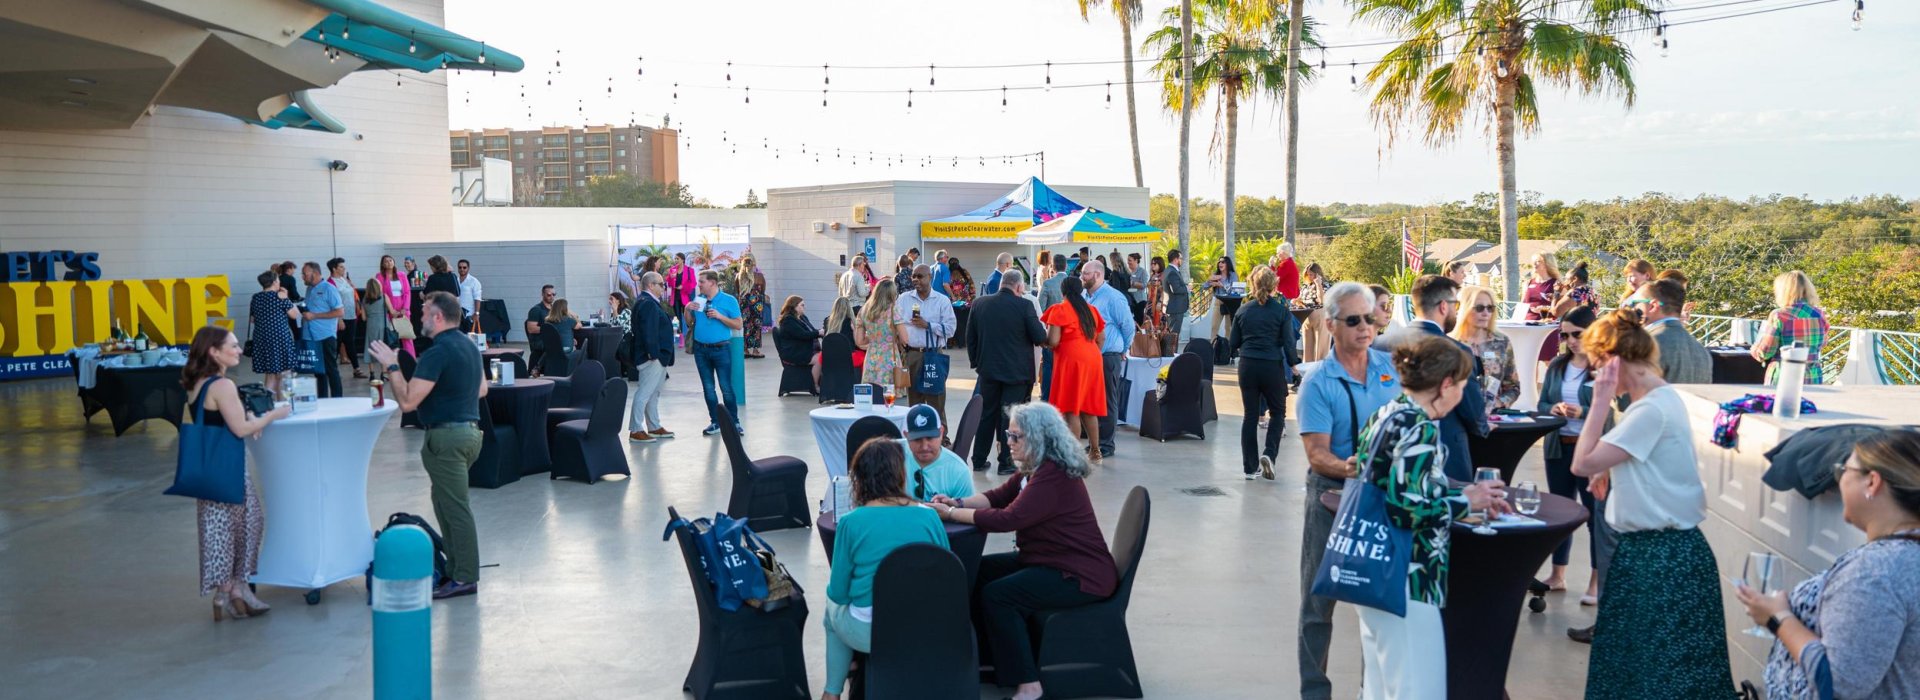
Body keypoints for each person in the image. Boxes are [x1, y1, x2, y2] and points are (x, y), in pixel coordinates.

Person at [1569, 309, 1735, 698]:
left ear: (1614, 361)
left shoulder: (1649, 410)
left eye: (1598, 365)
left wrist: (1599, 402)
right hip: (1662, 554)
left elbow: (1581, 463)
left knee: (1656, 676)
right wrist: (1612, 469)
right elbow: (1635, 458)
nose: (1595, 374)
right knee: (1653, 671)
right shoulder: (1663, 399)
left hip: (1659, 558)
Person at [1352, 335, 1511, 700]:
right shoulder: (1419, 426)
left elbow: (1399, 490)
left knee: (1379, 689)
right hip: (1410, 578)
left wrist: (1464, 496)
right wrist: (1464, 503)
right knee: (1416, 690)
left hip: (1375, 572)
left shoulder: (1387, 414)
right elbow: (1405, 510)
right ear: (1445, 384)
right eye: (1464, 384)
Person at [929, 403, 1115, 700]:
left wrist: (950, 513)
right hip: (1048, 559)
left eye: (1016, 437)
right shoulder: (1036, 469)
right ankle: (993, 659)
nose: (1008, 443)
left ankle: (1029, 684)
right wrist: (958, 502)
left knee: (998, 596)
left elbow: (1008, 519)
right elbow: (997, 497)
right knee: (977, 572)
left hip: (1078, 574)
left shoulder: (1053, 475)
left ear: (1039, 437)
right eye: (1009, 434)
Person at [1738, 428, 1920, 700]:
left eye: (1843, 470)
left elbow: (1836, 684)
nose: (1838, 481)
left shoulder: (1875, 573)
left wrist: (1779, 619)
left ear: (1872, 483)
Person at [1294, 281, 1399, 700]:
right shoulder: (1318, 383)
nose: (1365, 327)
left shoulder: (1391, 369)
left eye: (1370, 318)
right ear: (1332, 325)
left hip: (1384, 495)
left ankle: (1370, 690)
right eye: (1354, 320)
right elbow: (1317, 454)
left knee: (1378, 605)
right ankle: (1315, 692)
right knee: (1318, 604)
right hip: (1331, 495)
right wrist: (1349, 466)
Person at [368, 292, 488, 600]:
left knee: (455, 508)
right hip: (470, 434)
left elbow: (407, 402)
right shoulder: (469, 345)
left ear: (437, 317)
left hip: (447, 439)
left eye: (422, 313)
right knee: (444, 504)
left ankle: (465, 576)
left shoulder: (437, 352)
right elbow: (482, 389)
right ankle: (456, 569)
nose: (418, 318)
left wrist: (393, 366)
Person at [819, 438, 950, 700]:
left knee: (831, 612)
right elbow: (946, 573)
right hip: (923, 628)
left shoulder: (851, 522)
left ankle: (832, 692)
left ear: (860, 478)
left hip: (868, 634)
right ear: (901, 473)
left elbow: (840, 593)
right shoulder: (929, 516)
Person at [180, 325, 291, 620]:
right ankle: (237, 589)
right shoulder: (222, 386)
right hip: (229, 469)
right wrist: (272, 415)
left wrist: (249, 416)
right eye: (233, 346)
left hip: (207, 470)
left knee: (220, 532)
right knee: (250, 524)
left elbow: (222, 418)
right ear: (214, 352)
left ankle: (225, 593)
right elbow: (239, 429)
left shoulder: (198, 384)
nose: (240, 350)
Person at [1379, 275, 1489, 481]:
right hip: (1446, 455)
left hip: (1387, 447)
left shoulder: (1380, 344)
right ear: (1443, 306)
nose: (1456, 310)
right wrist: (1484, 428)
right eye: (1455, 304)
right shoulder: (1458, 351)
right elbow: (1473, 410)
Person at [1535, 306, 1609, 602]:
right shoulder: (1556, 366)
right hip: (1559, 446)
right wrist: (1552, 409)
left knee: (1594, 518)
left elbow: (1613, 412)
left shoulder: (1604, 367)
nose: (1570, 340)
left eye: (1576, 334)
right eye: (1564, 335)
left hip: (1590, 451)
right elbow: (1541, 404)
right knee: (1560, 513)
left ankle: (1595, 582)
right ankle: (1557, 575)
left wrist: (1584, 411)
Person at [967, 269, 1048, 475]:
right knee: (1010, 418)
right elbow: (1039, 336)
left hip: (988, 370)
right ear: (1019, 287)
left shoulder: (980, 304)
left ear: (1002, 283)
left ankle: (978, 459)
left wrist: (977, 363)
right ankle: (1006, 462)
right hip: (1017, 374)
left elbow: (971, 337)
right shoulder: (1025, 305)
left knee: (987, 415)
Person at [1232, 266, 1302, 480]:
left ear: (1253, 285)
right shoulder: (1281, 311)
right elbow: (1289, 343)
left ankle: (1249, 469)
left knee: (1250, 416)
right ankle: (1269, 454)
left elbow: (1233, 342)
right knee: (1278, 412)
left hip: (1248, 366)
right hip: (1271, 366)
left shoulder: (1243, 310)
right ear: (1275, 285)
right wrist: (1294, 365)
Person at [1042, 276, 1107, 463]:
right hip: (1093, 358)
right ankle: (1095, 451)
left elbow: (1053, 340)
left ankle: (1073, 455)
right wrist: (1091, 354)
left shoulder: (1059, 309)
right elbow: (1101, 338)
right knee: (1088, 407)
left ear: (1063, 291)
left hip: (1071, 360)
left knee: (1072, 408)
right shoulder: (1091, 310)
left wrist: (1044, 343)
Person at [894, 264, 958, 439]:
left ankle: (941, 437)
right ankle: (915, 435)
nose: (915, 280)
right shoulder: (904, 299)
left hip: (934, 354)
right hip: (912, 354)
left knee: (936, 397)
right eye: (913, 276)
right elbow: (896, 324)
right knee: (914, 399)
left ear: (930, 277)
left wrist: (928, 325)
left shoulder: (942, 300)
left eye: (920, 276)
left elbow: (951, 329)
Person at [1081, 259, 1135, 459]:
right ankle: (1094, 442)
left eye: (1085, 273)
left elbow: (1128, 326)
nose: (1082, 276)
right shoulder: (1083, 296)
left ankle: (1106, 444)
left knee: (1107, 400)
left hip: (1108, 356)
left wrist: (1124, 348)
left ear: (1097, 274)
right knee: (1089, 401)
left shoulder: (1114, 298)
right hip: (1088, 356)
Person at [687, 270, 743, 436]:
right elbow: (690, 323)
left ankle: (734, 422)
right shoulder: (699, 300)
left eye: (701, 281)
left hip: (721, 349)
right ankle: (715, 422)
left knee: (726, 387)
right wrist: (687, 310)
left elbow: (738, 325)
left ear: (712, 282)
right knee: (708, 388)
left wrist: (719, 316)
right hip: (700, 350)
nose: (699, 284)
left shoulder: (729, 300)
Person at [1752, 270, 1830, 385]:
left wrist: (1754, 349)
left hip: (1783, 375)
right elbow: (1822, 343)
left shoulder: (1779, 315)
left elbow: (1766, 352)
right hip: (1812, 375)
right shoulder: (1819, 314)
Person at [1451, 285, 1521, 409]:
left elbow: (1513, 387)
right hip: (1458, 418)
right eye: (1479, 308)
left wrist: (1498, 403)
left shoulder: (1502, 342)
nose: (1485, 313)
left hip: (1494, 420)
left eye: (1490, 308)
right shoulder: (1450, 343)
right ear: (1464, 309)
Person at [1632, 279, 1711, 384]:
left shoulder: (1645, 344)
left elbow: (1627, 396)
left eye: (1635, 303)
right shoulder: (1702, 351)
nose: (1633, 309)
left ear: (1653, 306)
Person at [627, 272, 676, 442]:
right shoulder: (647, 303)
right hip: (652, 357)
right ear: (650, 285)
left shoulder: (648, 302)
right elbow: (649, 331)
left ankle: (654, 426)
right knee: (645, 392)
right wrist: (653, 354)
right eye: (661, 284)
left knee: (654, 393)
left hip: (658, 356)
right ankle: (635, 429)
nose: (664, 288)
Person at [899, 404, 975, 500]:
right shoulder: (892, 457)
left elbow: (967, 511)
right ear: (906, 435)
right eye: (917, 439)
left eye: (930, 438)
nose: (925, 447)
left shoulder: (959, 471)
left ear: (941, 432)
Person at [247, 271, 300, 395]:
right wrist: (286, 297)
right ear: (274, 282)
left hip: (261, 339)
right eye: (278, 280)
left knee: (270, 375)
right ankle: (284, 404)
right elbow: (294, 315)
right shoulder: (280, 296)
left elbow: (252, 319)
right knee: (284, 374)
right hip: (279, 338)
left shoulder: (256, 297)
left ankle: (269, 404)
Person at [299, 262, 345, 398]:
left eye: (305, 274)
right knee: (318, 371)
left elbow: (339, 311)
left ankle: (337, 399)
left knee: (331, 370)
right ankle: (322, 399)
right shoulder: (309, 290)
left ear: (315, 273)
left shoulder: (329, 289)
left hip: (325, 336)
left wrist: (315, 315)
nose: (302, 277)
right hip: (311, 337)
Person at [855, 280, 904, 388]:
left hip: (871, 358)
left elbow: (859, 341)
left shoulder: (864, 311)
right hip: (890, 358)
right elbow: (905, 338)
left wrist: (875, 337)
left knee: (872, 395)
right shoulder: (894, 310)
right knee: (888, 397)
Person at [1035, 252, 1069, 401]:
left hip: (1051, 328)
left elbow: (1039, 307)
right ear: (1066, 265)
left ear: (1053, 266)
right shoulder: (1074, 282)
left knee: (1049, 365)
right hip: (1070, 331)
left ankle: (1047, 396)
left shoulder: (1048, 284)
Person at [774, 294, 820, 389]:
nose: (804, 307)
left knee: (827, 354)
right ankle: (814, 385)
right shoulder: (788, 320)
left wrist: (819, 331)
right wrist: (819, 332)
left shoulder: (802, 317)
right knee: (821, 359)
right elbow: (803, 335)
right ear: (794, 306)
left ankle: (821, 382)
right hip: (795, 352)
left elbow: (811, 330)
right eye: (802, 305)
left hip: (803, 349)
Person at [327, 258, 363, 378]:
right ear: (334, 269)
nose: (344, 269)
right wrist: (339, 319)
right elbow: (331, 303)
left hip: (351, 315)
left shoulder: (345, 280)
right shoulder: (330, 283)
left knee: (350, 342)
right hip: (340, 318)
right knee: (336, 344)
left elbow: (353, 294)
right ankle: (331, 371)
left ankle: (356, 369)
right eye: (341, 267)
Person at [1525, 253, 1563, 361]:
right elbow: (1523, 303)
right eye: (1534, 261)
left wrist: (1544, 309)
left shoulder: (1556, 284)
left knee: (1549, 360)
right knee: (1530, 361)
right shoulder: (1529, 282)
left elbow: (1561, 308)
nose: (1534, 264)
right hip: (1528, 326)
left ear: (1547, 263)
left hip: (1547, 327)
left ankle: (1552, 378)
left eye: (1538, 261)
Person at [375, 255, 414, 357]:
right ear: (383, 264)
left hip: (403, 310)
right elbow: (381, 294)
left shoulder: (402, 275)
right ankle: (392, 363)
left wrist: (405, 308)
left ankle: (411, 361)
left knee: (406, 336)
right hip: (389, 310)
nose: (389, 262)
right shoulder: (379, 276)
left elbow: (407, 292)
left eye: (390, 260)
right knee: (391, 337)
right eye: (386, 261)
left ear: (394, 262)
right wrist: (391, 310)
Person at [734, 256, 768, 359]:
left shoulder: (738, 277)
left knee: (745, 325)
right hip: (757, 303)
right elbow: (763, 290)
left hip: (743, 303)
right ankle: (755, 350)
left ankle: (745, 349)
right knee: (757, 326)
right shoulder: (759, 276)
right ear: (754, 265)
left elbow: (737, 291)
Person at [1300, 263, 1333, 362]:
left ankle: (1321, 371)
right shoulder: (1306, 285)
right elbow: (1303, 298)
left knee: (1320, 347)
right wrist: (1297, 300)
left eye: (1312, 274)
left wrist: (1318, 284)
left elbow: (1322, 300)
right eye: (1308, 274)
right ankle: (1307, 372)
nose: (1309, 276)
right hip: (1306, 316)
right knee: (1307, 348)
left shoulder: (1325, 285)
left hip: (1320, 315)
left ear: (1318, 274)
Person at [361, 276, 392, 380]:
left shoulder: (365, 300)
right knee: (382, 348)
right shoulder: (384, 297)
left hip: (371, 326)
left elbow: (363, 318)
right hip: (383, 325)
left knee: (370, 347)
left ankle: (372, 374)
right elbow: (392, 311)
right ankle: (383, 374)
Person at [1205, 256, 1241, 341]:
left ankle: (1228, 349)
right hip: (1218, 302)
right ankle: (1213, 347)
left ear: (1228, 264)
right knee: (1214, 326)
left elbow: (1234, 290)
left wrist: (1222, 286)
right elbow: (1204, 287)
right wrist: (1209, 280)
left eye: (1222, 262)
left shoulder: (1233, 275)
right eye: (1219, 262)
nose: (1220, 263)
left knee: (1228, 328)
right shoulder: (1216, 275)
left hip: (1230, 303)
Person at [524, 285, 555, 374]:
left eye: (554, 294)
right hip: (539, 341)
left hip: (551, 339)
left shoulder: (554, 309)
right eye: (549, 295)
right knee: (555, 346)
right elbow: (531, 328)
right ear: (543, 294)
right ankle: (538, 368)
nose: (552, 297)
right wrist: (550, 330)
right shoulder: (536, 310)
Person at [1163, 248, 1191, 337]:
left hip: (1174, 307)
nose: (1181, 260)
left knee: (1173, 335)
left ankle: (1172, 351)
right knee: (1174, 335)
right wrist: (1187, 288)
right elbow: (1176, 289)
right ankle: (1172, 351)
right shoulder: (1172, 272)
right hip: (1175, 308)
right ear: (1175, 259)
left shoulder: (1169, 270)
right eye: (1180, 258)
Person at [544, 298, 580, 366]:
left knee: (549, 351)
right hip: (566, 348)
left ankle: (538, 367)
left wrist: (571, 338)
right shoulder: (568, 320)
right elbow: (579, 326)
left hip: (553, 348)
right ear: (565, 309)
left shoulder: (547, 320)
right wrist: (574, 315)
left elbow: (560, 333)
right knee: (580, 351)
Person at [456, 259, 482, 333]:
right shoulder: (455, 280)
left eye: (464, 267)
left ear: (468, 268)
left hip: (469, 315)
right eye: (460, 267)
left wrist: (476, 313)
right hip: (457, 315)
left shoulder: (474, 281)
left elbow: (477, 298)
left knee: (469, 338)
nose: (462, 269)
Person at [666, 253, 695, 320]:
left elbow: (693, 283)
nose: (676, 260)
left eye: (677, 259)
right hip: (675, 297)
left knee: (688, 317)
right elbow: (669, 284)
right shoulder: (672, 270)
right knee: (678, 318)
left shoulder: (689, 270)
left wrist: (683, 287)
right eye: (675, 259)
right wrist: (670, 277)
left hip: (686, 297)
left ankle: (689, 330)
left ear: (682, 260)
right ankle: (680, 330)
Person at [1126, 253, 1149, 323]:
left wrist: (1133, 283)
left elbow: (1144, 285)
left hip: (1139, 300)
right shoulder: (1128, 272)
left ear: (1136, 260)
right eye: (1128, 260)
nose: (1128, 262)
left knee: (1139, 320)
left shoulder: (1142, 271)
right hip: (1130, 301)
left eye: (1130, 260)